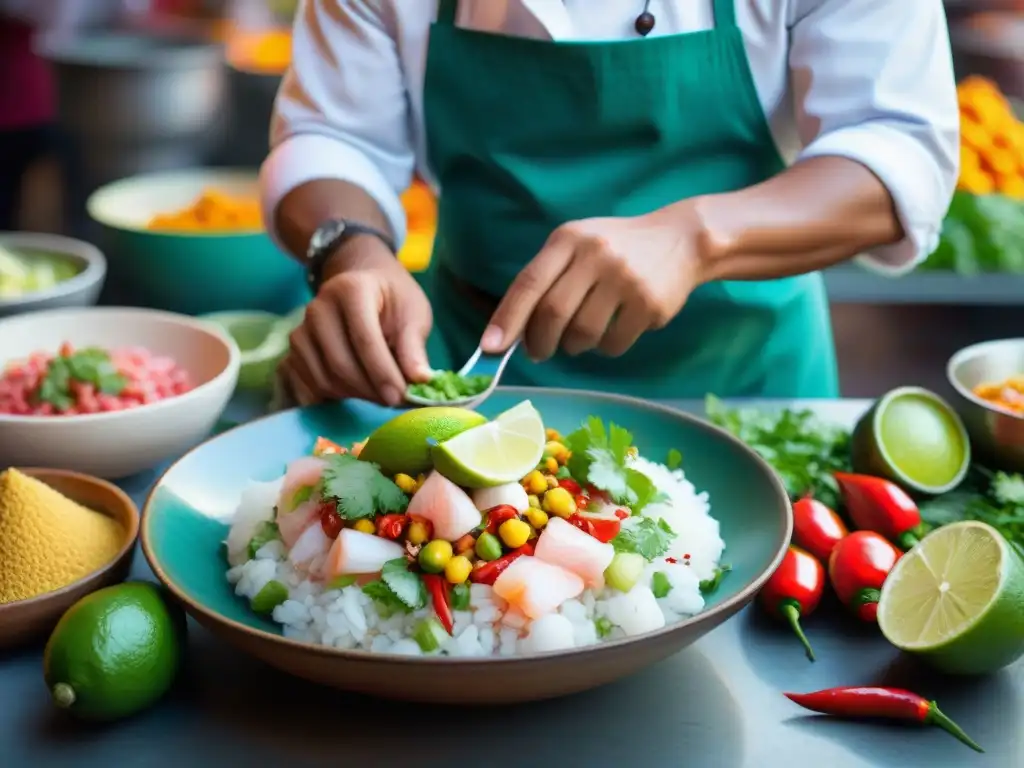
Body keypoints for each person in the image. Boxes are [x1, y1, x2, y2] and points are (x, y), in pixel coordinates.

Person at [262, 0, 960, 407]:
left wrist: (696, 236)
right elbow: (330, 135)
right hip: (472, 389)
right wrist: (349, 250)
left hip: (746, 392)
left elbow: (901, 148)